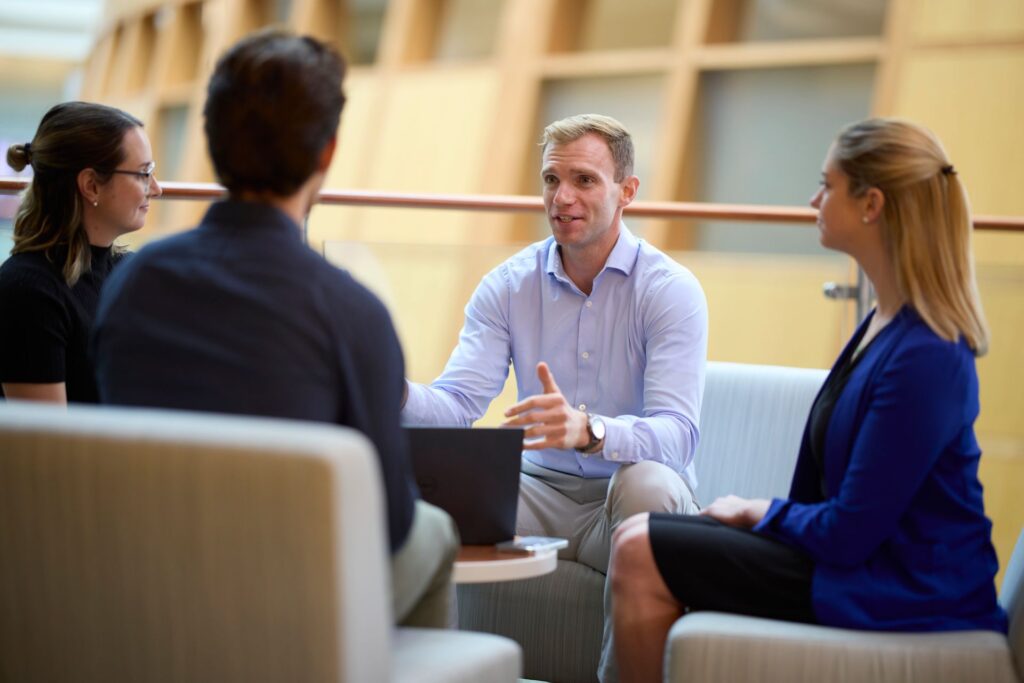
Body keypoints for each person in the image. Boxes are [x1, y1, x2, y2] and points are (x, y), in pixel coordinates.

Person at [609, 118, 1008, 683]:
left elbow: (851, 531)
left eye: (828, 185)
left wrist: (757, 512)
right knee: (636, 535)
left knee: (640, 550)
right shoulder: (884, 322)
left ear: (871, 204)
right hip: (866, 563)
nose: (814, 199)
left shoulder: (927, 355)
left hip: (904, 587)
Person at [91, 30, 457, 628]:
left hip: (148, 593)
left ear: (212, 142)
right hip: (290, 608)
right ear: (327, 153)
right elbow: (388, 521)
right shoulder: (352, 311)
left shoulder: (133, 283)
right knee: (434, 530)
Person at [402, 113, 708, 679]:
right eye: (550, 179)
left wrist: (588, 431)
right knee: (422, 503)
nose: (561, 197)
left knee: (649, 480)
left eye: (585, 180)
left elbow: (678, 434)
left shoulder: (670, 291)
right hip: (535, 493)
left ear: (627, 192)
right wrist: (386, 388)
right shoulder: (507, 285)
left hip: (625, 497)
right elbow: (456, 405)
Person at [0, 102, 160, 404]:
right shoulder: (26, 292)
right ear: (91, 185)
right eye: (143, 173)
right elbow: (45, 445)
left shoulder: (129, 272)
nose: (156, 188)